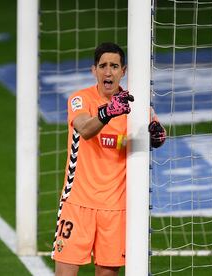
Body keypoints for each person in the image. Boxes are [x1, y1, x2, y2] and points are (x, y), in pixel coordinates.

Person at [51, 42, 166, 276]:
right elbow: (84, 128)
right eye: (102, 66)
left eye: (114, 66)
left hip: (115, 208)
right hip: (78, 203)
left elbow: (157, 132)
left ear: (123, 71)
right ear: (94, 70)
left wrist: (158, 136)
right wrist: (106, 113)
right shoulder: (80, 99)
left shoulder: (136, 106)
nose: (108, 71)